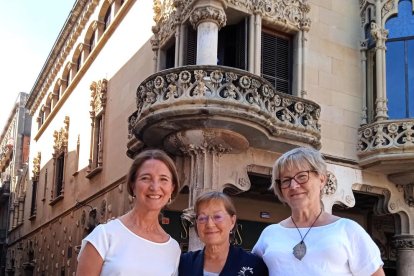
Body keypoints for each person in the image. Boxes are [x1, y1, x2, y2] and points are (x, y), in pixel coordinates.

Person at [252, 147, 385, 276]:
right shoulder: (269, 234)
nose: (294, 186)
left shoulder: (348, 230)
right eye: (286, 180)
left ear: (322, 180)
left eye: (302, 176)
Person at [76, 149, 181, 276]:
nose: (154, 187)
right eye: (146, 178)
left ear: (172, 188)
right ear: (132, 185)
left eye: (163, 179)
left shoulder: (173, 249)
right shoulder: (104, 236)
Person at [179, 191, 268, 276]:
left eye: (217, 217)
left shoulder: (253, 264)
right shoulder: (184, 262)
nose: (210, 224)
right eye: (202, 218)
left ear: (232, 221)